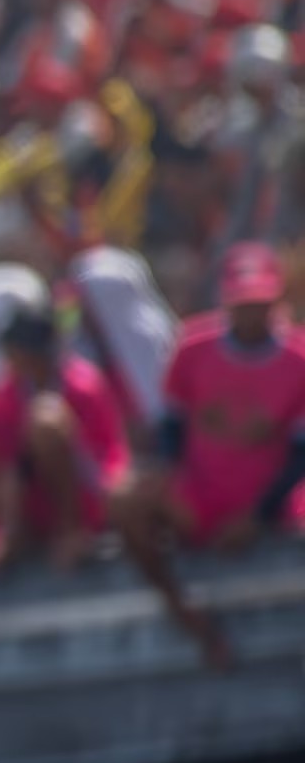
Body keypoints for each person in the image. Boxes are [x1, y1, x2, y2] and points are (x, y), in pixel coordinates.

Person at [119, 242, 305, 660]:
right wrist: (165, 473)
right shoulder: (192, 346)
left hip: (272, 503)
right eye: (243, 302)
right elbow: (173, 425)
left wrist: (255, 517)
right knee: (126, 501)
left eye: (260, 302)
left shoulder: (299, 358)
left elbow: (300, 454)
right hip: (201, 496)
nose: (251, 313)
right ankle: (185, 614)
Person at [0, 307, 128, 570]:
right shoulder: (7, 391)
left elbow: (108, 454)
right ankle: (16, 535)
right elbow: (7, 463)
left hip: (88, 486)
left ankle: (74, 530)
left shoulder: (82, 384)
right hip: (35, 492)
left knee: (45, 423)